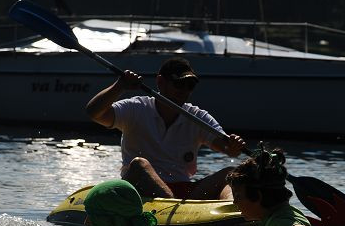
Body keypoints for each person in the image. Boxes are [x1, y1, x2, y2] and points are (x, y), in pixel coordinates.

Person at [85, 57, 246, 200]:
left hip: (183, 191)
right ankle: (173, 209)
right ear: (161, 82)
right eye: (179, 84)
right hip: (140, 189)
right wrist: (120, 86)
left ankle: (231, 210)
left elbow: (229, 150)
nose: (184, 91)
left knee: (230, 173)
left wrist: (233, 145)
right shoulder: (136, 108)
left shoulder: (197, 116)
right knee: (139, 164)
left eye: (189, 86)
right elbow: (95, 113)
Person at [225, 147, 313, 226]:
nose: (234, 202)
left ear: (257, 196)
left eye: (238, 197)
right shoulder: (288, 212)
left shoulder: (276, 225)